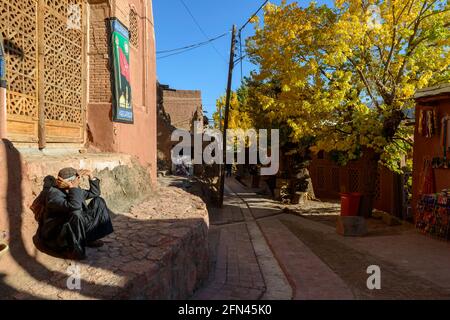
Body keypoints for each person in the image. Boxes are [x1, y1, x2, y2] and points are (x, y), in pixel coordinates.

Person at [38, 167, 114, 260]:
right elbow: (75, 206)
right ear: (71, 181)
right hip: (60, 236)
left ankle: (89, 239)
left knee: (99, 201)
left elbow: (95, 193)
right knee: (76, 214)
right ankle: (73, 251)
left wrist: (91, 176)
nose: (79, 180)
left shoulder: (73, 189)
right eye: (77, 178)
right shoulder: (54, 195)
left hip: (75, 226)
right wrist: (73, 188)